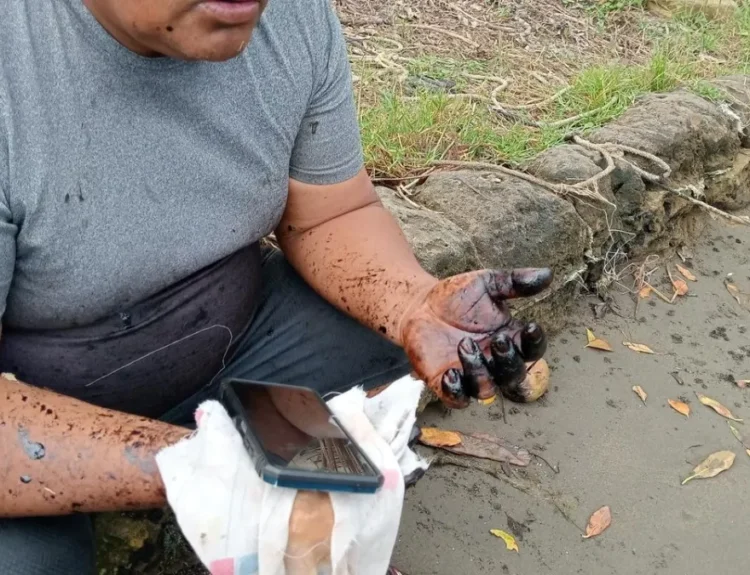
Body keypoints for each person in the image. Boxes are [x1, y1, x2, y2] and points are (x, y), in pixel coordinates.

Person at [0, 0, 552, 573]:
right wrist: (200, 467)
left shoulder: (289, 17)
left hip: (235, 337)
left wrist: (413, 306)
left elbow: (328, 213)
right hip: (31, 407)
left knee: (382, 344)